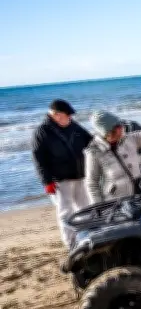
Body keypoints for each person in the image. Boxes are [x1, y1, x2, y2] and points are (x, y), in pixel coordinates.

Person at [31, 99, 93, 248]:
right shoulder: (42, 132)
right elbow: (38, 158)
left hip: (80, 175)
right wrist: (47, 182)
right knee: (66, 213)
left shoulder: (74, 126)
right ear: (56, 115)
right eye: (67, 115)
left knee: (85, 208)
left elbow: (91, 141)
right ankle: (71, 243)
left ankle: (88, 236)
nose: (70, 118)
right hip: (59, 180)